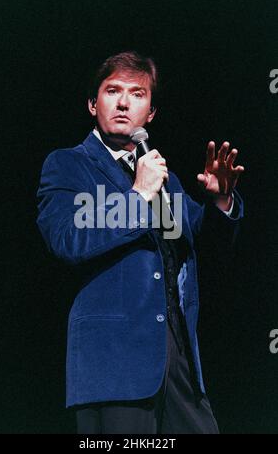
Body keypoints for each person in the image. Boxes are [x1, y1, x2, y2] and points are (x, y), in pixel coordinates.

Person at [36, 51, 244, 434]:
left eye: (137, 93)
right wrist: (137, 194)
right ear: (92, 103)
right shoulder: (68, 165)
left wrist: (219, 201)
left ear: (150, 114)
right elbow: (67, 241)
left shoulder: (163, 175)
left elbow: (202, 249)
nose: (123, 101)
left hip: (176, 355)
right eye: (112, 90)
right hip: (114, 360)